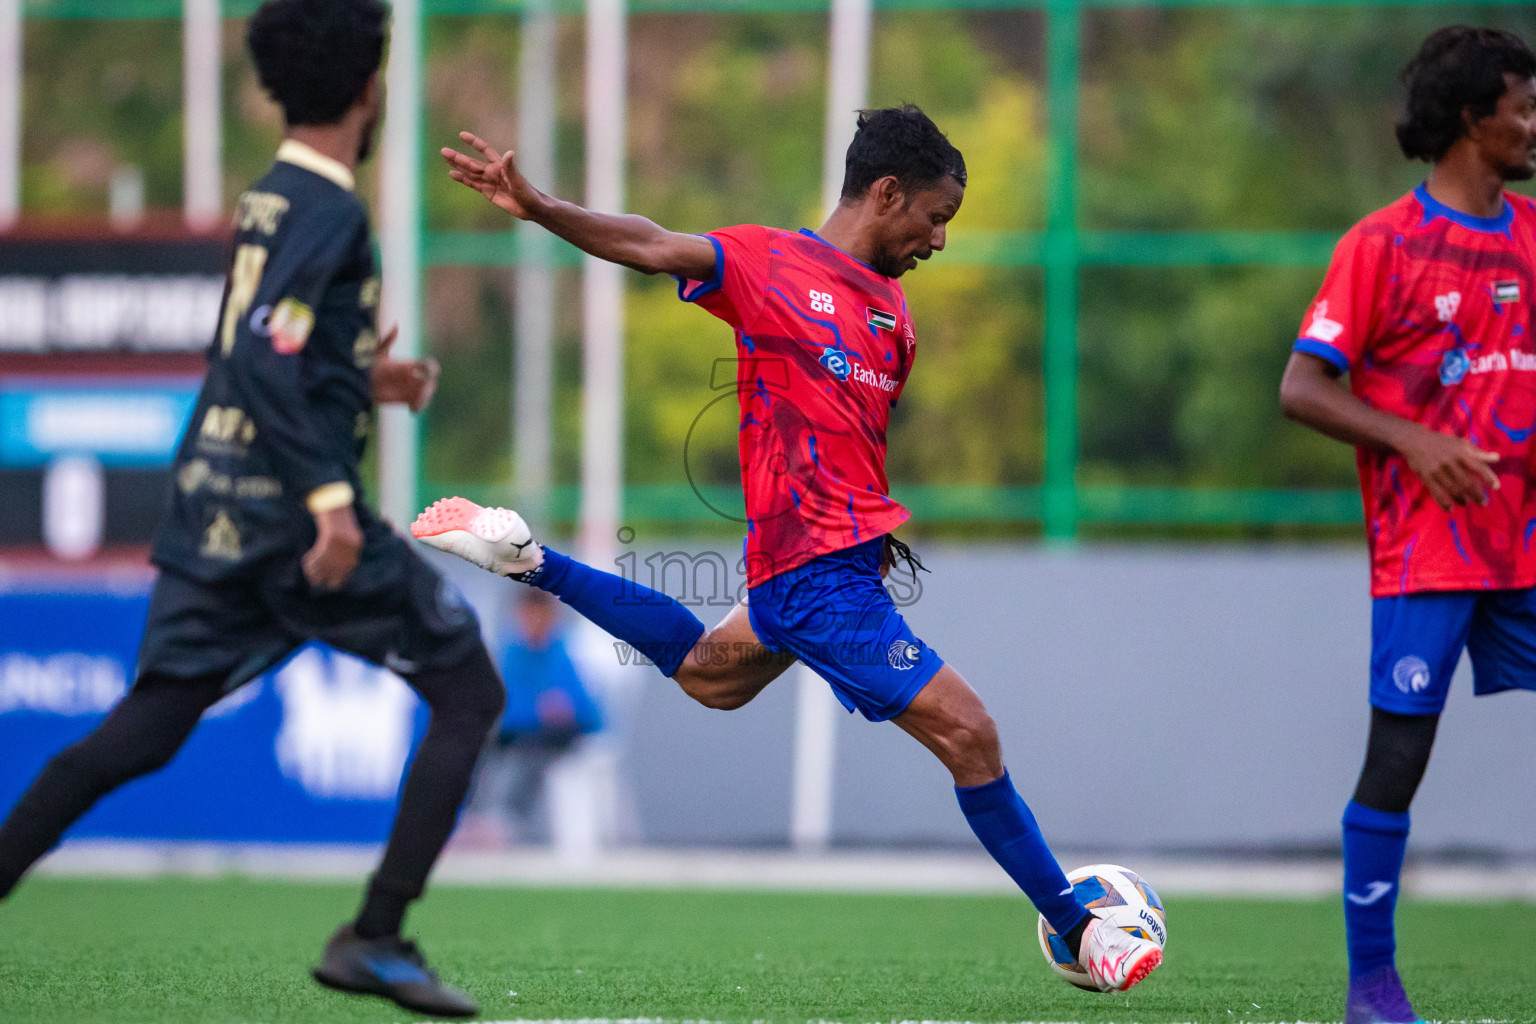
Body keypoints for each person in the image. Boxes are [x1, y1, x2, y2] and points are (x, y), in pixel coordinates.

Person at [415, 103, 1162, 993]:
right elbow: (654, 243)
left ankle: (527, 561)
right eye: (935, 217)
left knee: (706, 674)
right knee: (972, 735)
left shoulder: (896, 315)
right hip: (815, 580)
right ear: (887, 193)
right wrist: (539, 206)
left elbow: (852, 442)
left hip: (828, 572)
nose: (940, 240)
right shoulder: (770, 263)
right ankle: (1083, 931)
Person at [0, 1, 504, 1017]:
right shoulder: (332, 211)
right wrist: (330, 503)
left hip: (212, 510)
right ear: (373, 88)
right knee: (469, 688)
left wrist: (364, 380)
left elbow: (269, 350)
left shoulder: (270, 197)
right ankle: (376, 932)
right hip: (293, 522)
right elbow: (257, 355)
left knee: (140, 733)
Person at [1278, 26, 1536, 1024]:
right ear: (1475, 120)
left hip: (1525, 542)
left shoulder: (1530, 239)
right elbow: (1303, 386)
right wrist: (1416, 443)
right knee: (1398, 759)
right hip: (1428, 549)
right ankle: (1372, 987)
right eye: (1521, 106)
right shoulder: (1381, 247)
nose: (1532, 124)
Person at [462, 588, 603, 848]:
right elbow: (500, 707)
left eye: (540, 616)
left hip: (557, 741)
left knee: (530, 756)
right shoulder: (511, 654)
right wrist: (536, 713)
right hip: (515, 735)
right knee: (475, 749)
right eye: (528, 616)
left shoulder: (564, 654)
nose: (534, 623)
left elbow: (593, 715)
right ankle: (473, 818)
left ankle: (506, 823)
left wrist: (566, 711)